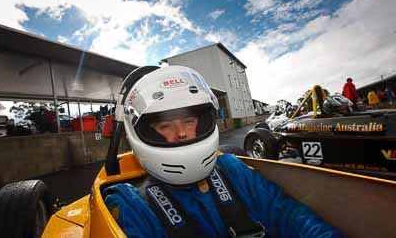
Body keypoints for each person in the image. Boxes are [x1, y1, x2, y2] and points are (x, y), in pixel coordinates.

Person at [103, 66, 344, 238]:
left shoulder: (233, 169)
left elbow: (291, 215)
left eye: (188, 121)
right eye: (166, 125)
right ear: (146, 133)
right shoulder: (131, 205)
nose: (182, 133)